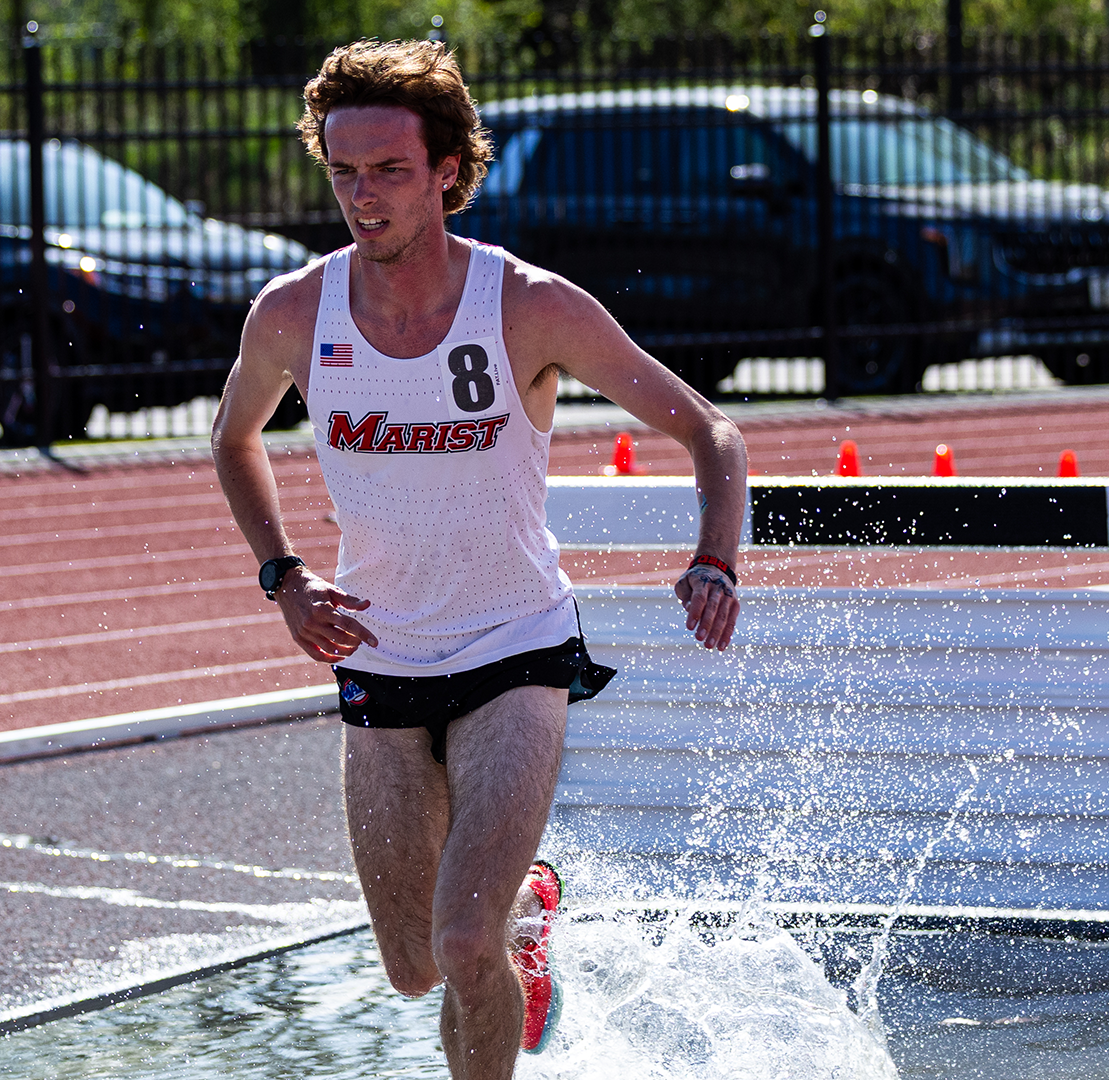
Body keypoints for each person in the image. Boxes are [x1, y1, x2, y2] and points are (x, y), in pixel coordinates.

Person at [210, 39, 747, 1078]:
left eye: (390, 172)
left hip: (516, 649)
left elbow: (712, 431)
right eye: (343, 172)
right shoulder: (291, 314)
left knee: (464, 944)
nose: (362, 198)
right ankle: (530, 915)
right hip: (380, 653)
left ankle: (501, 933)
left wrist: (714, 559)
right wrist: (284, 575)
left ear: (449, 170)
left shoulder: (528, 305)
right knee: (418, 967)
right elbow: (233, 440)